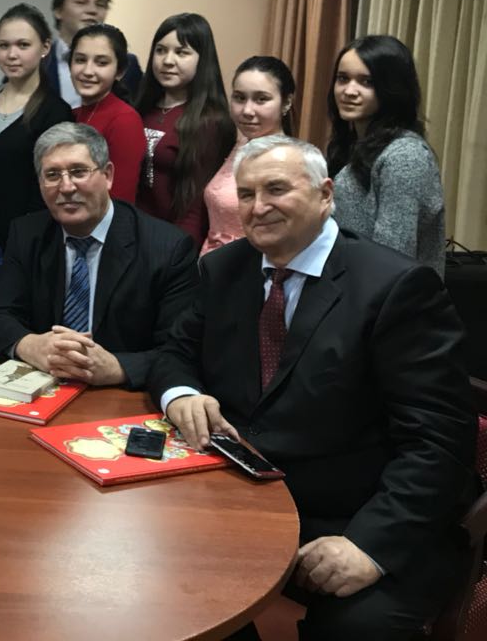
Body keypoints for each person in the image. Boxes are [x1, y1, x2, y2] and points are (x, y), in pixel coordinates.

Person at [151, 135, 475, 641]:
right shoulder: (223, 268)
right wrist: (183, 394)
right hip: (240, 500)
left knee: (358, 627)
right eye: (246, 194)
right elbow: (174, 353)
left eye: (276, 189)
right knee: (155, 578)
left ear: (325, 195)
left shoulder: (396, 287)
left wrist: (369, 545)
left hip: (357, 512)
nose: (258, 207)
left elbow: (438, 442)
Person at [0, 123, 196, 391]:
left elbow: (179, 350)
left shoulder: (167, 248)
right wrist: (30, 345)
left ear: (108, 175)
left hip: (121, 395)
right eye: (52, 175)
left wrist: (118, 367)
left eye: (78, 171)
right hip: (45, 388)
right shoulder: (27, 234)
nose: (66, 187)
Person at [327, 35, 445, 276]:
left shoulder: (405, 155)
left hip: (385, 296)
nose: (349, 91)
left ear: (392, 88)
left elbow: (392, 258)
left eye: (366, 82)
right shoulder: (351, 146)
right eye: (343, 78)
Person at [0, 4, 72, 289]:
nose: (12, 54)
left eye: (23, 45)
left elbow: (51, 188)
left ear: (45, 47)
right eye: (3, 45)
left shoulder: (55, 112)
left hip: (22, 246)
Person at [135, 12, 234, 249]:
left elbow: (195, 206)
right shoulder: (140, 110)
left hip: (172, 245)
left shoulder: (210, 121)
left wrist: (177, 253)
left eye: (181, 52)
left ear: (202, 60)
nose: (168, 61)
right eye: (161, 50)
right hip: (132, 235)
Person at [200, 56, 295, 257]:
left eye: (261, 99)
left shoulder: (286, 161)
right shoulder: (241, 143)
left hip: (248, 266)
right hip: (210, 263)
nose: (247, 111)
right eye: (240, 98)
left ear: (286, 102)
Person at [40, 0, 142, 108]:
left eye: (100, 4)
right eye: (81, 2)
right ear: (58, 10)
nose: (92, 10)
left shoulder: (127, 65)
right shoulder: (37, 62)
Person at [69, 23, 146, 204]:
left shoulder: (125, 120)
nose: (88, 71)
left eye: (101, 63)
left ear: (120, 71)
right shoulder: (71, 114)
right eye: (80, 60)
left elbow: (120, 200)